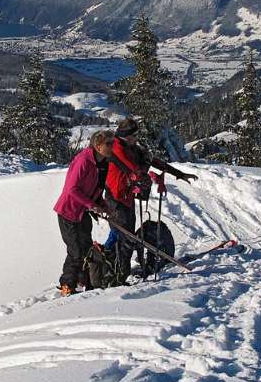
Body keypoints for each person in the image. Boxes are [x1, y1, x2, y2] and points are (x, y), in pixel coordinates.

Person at [103, 118, 197, 280]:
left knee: (122, 235)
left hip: (126, 197)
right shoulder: (118, 149)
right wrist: (145, 167)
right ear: (125, 136)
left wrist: (178, 174)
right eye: (134, 136)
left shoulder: (130, 147)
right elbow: (135, 171)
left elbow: (152, 160)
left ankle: (108, 267)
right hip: (116, 198)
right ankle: (116, 274)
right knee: (125, 238)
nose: (136, 139)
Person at [53, 130, 115, 297]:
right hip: (68, 211)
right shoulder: (84, 161)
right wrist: (92, 206)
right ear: (98, 145)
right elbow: (71, 189)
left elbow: (96, 189)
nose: (112, 147)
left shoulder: (103, 163)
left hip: (83, 213)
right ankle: (67, 285)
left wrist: (101, 204)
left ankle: (83, 281)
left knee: (86, 249)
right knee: (75, 251)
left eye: (113, 143)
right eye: (108, 144)